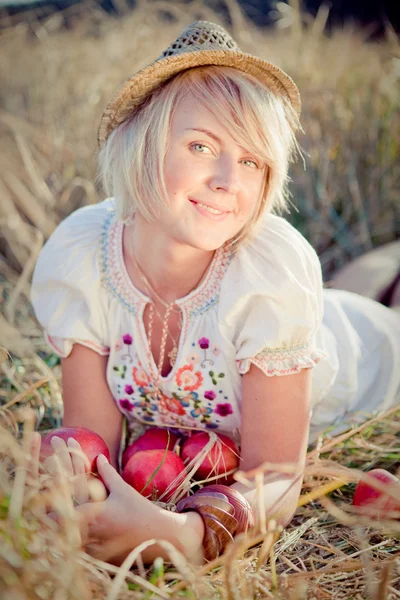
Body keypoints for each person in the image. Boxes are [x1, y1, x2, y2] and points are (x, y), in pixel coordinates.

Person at [30, 21, 400, 566]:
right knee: (360, 283)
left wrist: (185, 534)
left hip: (372, 359)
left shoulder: (268, 273)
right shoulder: (84, 257)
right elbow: (96, 445)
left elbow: (274, 478)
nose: (231, 179)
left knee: (379, 304)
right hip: (326, 314)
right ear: (143, 145)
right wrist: (76, 488)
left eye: (252, 160)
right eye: (202, 145)